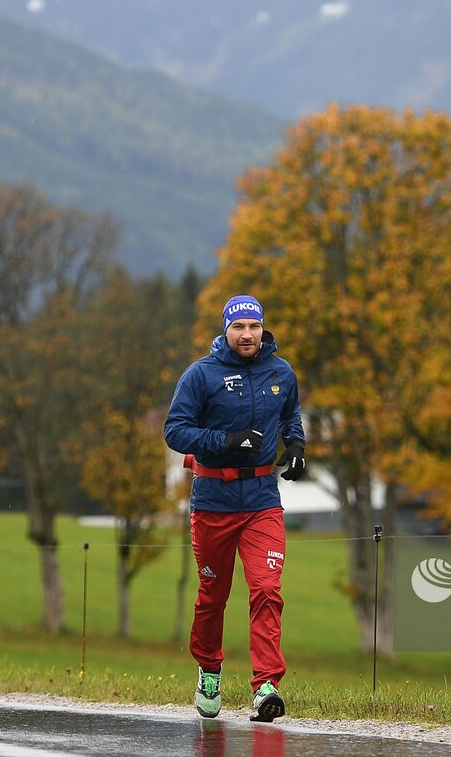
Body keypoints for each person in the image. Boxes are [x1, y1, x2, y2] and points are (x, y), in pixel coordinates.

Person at [165, 294, 307, 722]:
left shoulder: (281, 372)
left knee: (266, 588)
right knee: (213, 594)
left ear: (263, 329)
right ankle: (209, 670)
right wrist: (224, 443)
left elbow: (291, 413)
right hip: (213, 501)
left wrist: (297, 445)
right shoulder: (201, 375)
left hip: (263, 500)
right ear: (225, 330)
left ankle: (266, 686)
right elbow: (175, 431)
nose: (247, 334)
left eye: (254, 326)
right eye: (239, 327)